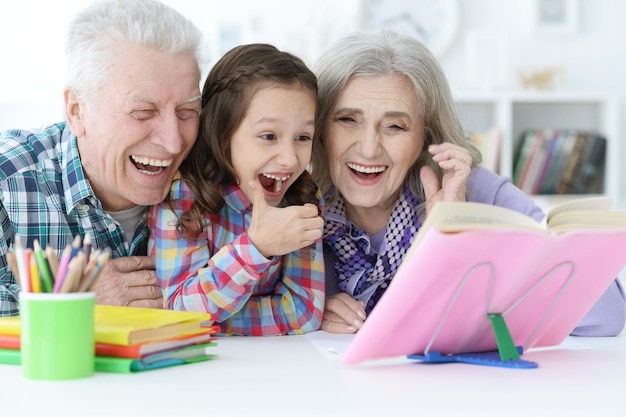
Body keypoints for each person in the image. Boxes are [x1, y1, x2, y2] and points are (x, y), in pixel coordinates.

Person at [310, 30, 625, 337]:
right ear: (319, 128)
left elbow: (606, 314)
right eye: (347, 120)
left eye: (395, 126)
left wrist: (466, 239)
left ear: (426, 137)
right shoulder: (300, 207)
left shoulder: (477, 191)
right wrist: (308, 310)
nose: (368, 148)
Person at [0, 0, 206, 316]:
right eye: (143, 112)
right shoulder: (8, 178)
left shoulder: (215, 179)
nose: (174, 141)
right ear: (77, 111)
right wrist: (71, 299)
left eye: (188, 111)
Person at [148, 43, 325, 336]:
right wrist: (257, 248)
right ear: (223, 133)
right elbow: (179, 314)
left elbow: (304, 312)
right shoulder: (184, 196)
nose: (291, 159)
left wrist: (212, 318)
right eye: (269, 136)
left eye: (303, 137)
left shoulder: (302, 195)